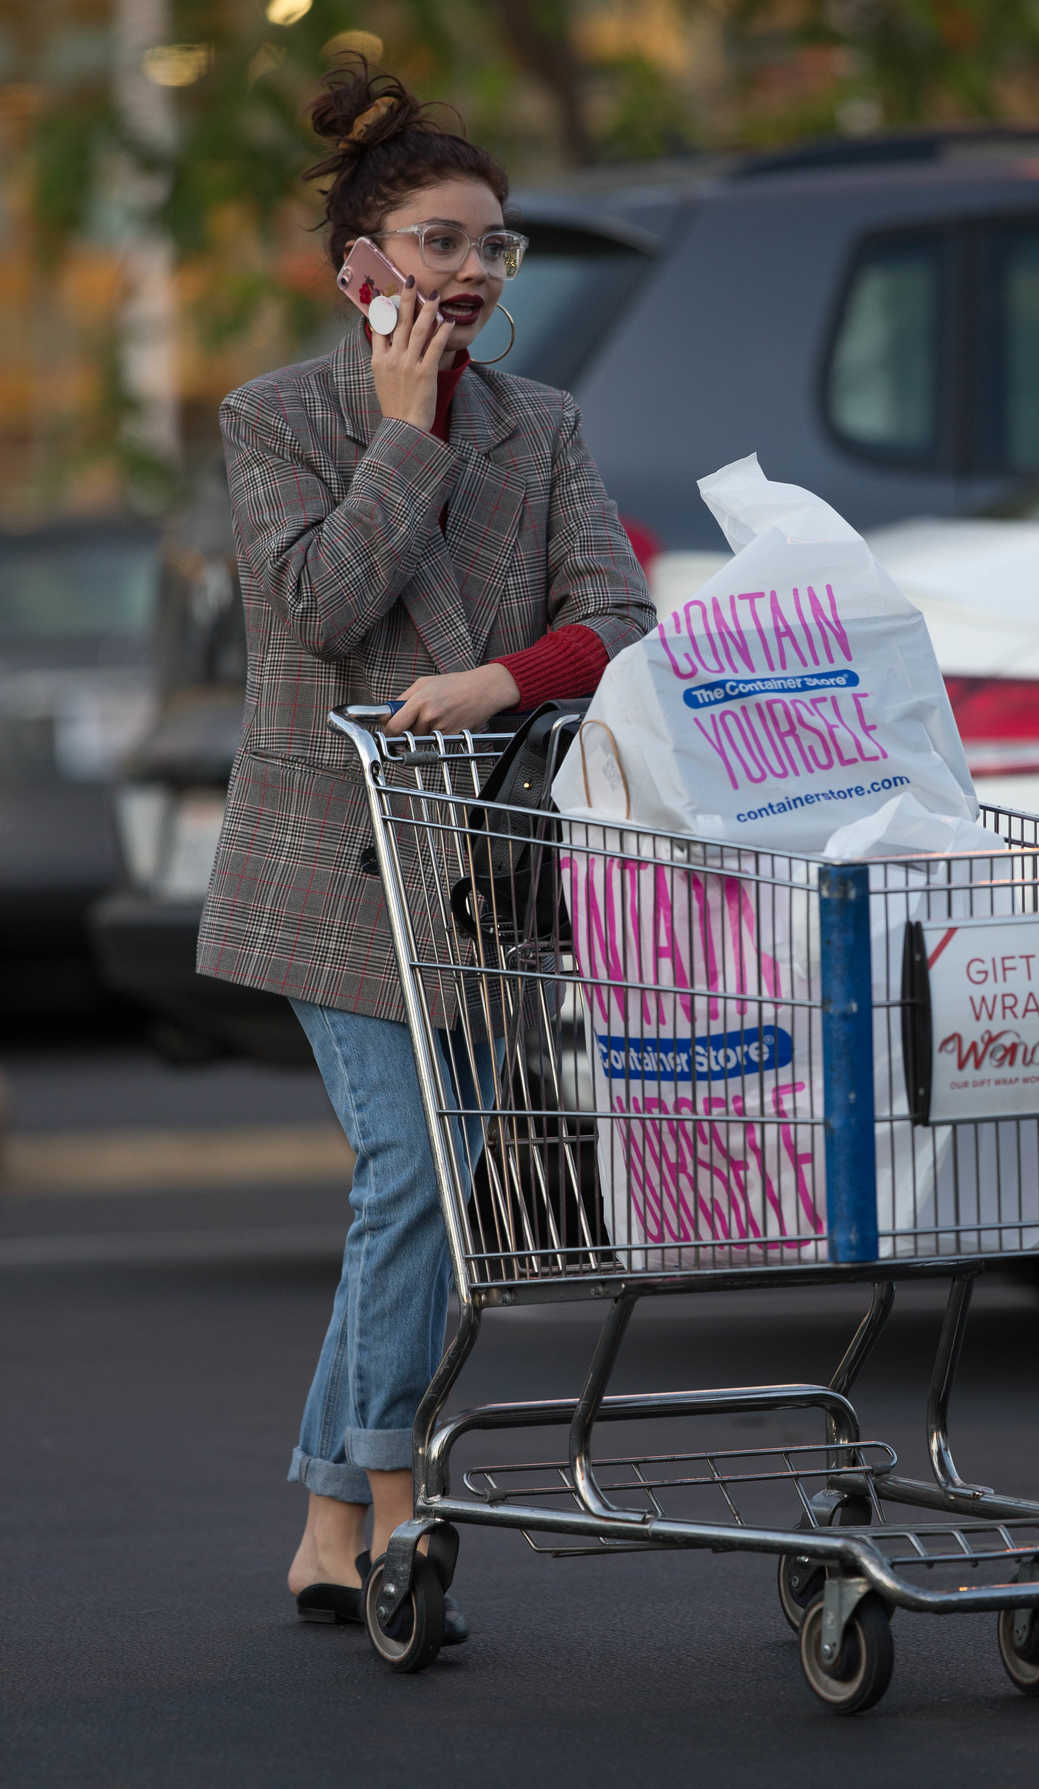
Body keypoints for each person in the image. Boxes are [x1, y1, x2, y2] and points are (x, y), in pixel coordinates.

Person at [196, 61, 654, 1643]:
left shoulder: (543, 426)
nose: (470, 274)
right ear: (362, 272)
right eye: (440, 244)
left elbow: (617, 612)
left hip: (472, 871)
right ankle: (396, 1499)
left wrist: (497, 680)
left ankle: (334, 1517)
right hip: (326, 864)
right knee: (416, 1170)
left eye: (492, 247)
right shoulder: (276, 419)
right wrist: (401, 434)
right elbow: (318, 609)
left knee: (433, 1182)